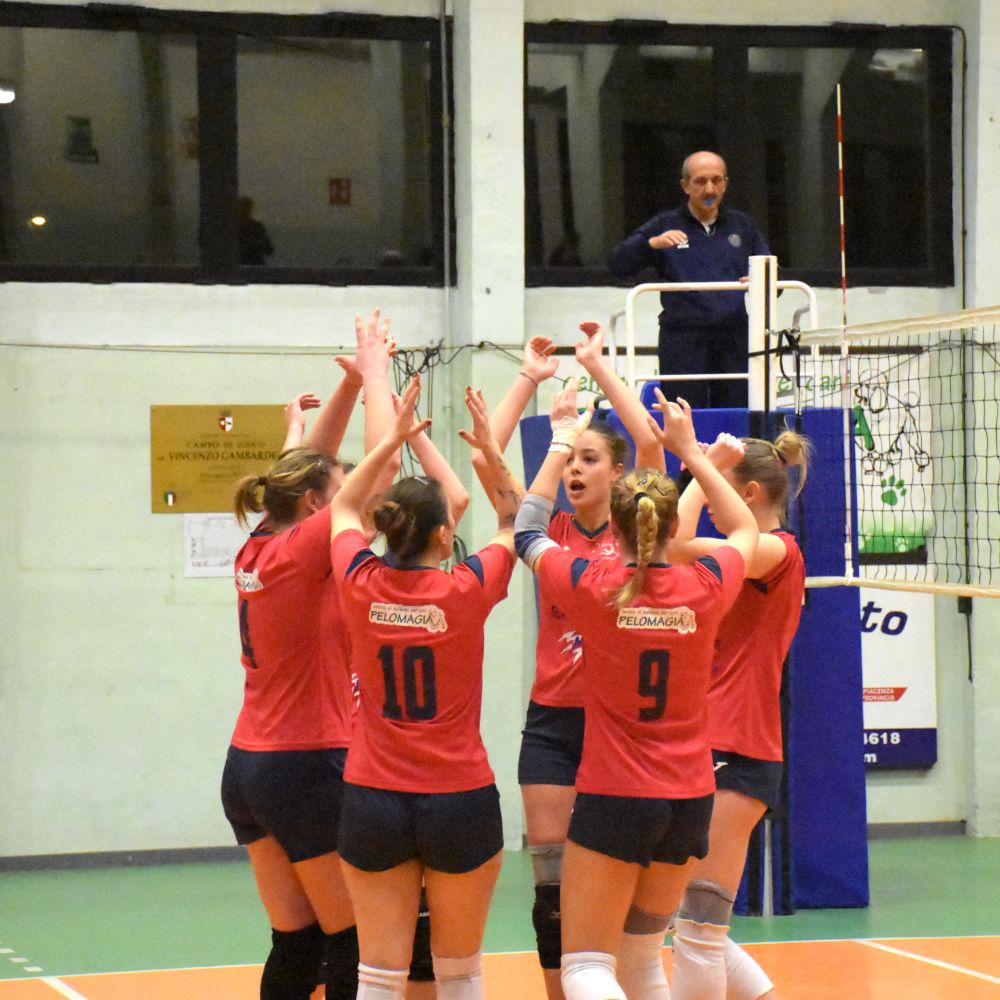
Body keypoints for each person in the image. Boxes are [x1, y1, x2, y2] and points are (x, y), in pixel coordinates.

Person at [514, 388, 759, 1000]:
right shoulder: (707, 584)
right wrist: (692, 454)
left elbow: (527, 530)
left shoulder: (592, 583)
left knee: (587, 967)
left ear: (616, 525)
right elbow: (745, 527)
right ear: (674, 526)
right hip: (689, 798)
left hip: (616, 793)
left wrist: (560, 439)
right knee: (643, 960)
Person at [466, 324, 664, 1000]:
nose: (575, 470)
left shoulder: (639, 532)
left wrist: (597, 367)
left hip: (620, 726)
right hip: (553, 723)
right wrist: (531, 382)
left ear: (617, 472)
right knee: (551, 891)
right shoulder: (546, 531)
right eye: (570, 460)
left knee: (618, 887)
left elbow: (652, 445)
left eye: (589, 459)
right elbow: (486, 458)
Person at [330, 374, 522, 1000]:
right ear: (444, 535)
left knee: (378, 974)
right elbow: (515, 518)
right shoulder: (466, 588)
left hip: (373, 797)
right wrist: (491, 453)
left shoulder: (358, 581)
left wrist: (391, 441)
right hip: (458, 797)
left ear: (387, 529)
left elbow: (342, 507)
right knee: (458, 970)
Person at [222, 347, 366, 999]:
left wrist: (349, 386)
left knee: (297, 940)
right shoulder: (302, 551)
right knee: (351, 938)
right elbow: (355, 478)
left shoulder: (258, 545)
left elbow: (308, 469)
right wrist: (377, 396)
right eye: (332, 497)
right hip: (304, 763)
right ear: (313, 505)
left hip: (247, 767)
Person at [667, 429, 810, 1000]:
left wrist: (695, 463)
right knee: (690, 921)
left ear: (747, 495)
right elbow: (670, 547)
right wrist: (701, 468)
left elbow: (672, 543)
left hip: (738, 745)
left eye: (717, 488)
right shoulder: (741, 558)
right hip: (712, 741)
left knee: (699, 929)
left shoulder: (777, 551)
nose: (708, 498)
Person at [607, 150, 771, 409]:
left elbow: (772, 278)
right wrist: (651, 244)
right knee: (682, 413)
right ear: (685, 186)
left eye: (716, 180)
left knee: (736, 413)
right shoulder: (665, 224)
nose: (709, 189)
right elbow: (617, 265)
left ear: (725, 184)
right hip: (682, 337)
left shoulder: (743, 226)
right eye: (700, 181)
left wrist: (759, 279)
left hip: (734, 336)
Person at [240, 194, 275, 265]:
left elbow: (269, 249)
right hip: (254, 265)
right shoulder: (257, 227)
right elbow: (269, 249)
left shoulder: (232, 228)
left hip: (251, 265)